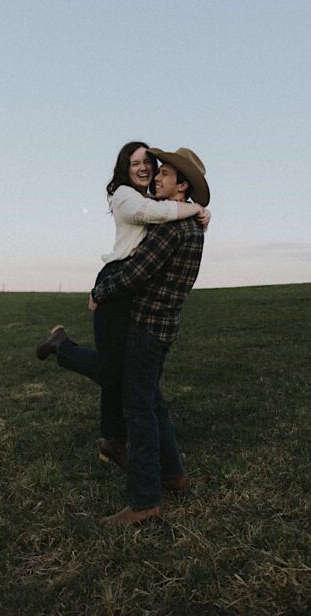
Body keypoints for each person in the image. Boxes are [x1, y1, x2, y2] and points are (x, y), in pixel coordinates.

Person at [35, 142, 208, 470]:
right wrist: (194, 209)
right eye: (135, 163)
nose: (145, 169)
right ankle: (62, 346)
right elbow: (151, 215)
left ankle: (112, 441)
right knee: (113, 371)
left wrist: (196, 209)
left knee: (120, 370)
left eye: (150, 163)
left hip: (135, 282)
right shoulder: (126, 197)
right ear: (124, 170)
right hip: (120, 278)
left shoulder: (155, 200)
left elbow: (166, 210)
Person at [87, 147, 209, 526]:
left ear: (182, 185)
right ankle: (174, 475)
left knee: (138, 409)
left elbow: (136, 272)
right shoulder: (191, 225)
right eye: (157, 173)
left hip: (145, 327)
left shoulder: (172, 228)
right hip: (165, 327)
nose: (156, 177)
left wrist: (98, 294)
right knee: (153, 402)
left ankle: (144, 502)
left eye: (165, 175)